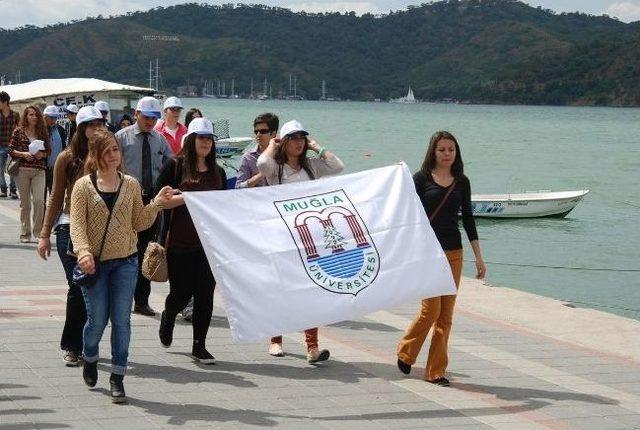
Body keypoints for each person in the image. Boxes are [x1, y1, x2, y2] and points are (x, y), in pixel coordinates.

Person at [70, 128, 172, 403]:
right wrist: (83, 253)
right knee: (96, 322)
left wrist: (157, 204)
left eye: (115, 149)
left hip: (126, 262)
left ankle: (117, 376)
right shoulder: (83, 186)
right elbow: (77, 225)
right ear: (96, 155)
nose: (114, 155)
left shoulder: (130, 184)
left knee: (122, 321)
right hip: (95, 265)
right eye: (107, 151)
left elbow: (139, 222)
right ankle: (90, 356)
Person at [396, 131, 487, 387]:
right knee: (431, 310)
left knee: (446, 316)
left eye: (451, 150)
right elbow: (403, 208)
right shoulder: (421, 179)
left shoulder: (462, 181)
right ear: (432, 152)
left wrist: (479, 257)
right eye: (442, 150)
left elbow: (468, 219)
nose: (447, 154)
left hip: (454, 253)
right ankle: (406, 351)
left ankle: (436, 371)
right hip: (427, 254)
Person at [257, 119, 344, 362]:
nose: (298, 142)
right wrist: (272, 145)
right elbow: (262, 164)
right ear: (284, 142)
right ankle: (275, 340)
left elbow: (338, 166)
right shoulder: (276, 168)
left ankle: (312, 347)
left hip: (309, 238)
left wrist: (318, 147)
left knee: (310, 292)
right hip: (281, 237)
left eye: (302, 138)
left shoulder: (312, 167)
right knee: (280, 289)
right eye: (293, 138)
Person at [37, 106, 106, 366]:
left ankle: (88, 342)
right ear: (81, 128)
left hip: (99, 230)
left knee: (95, 289)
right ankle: (71, 345)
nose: (96, 129)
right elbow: (55, 197)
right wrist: (44, 234)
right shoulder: (67, 158)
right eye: (90, 124)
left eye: (100, 124)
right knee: (77, 286)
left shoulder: (108, 155)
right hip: (69, 228)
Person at [156, 118, 226, 364]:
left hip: (208, 245)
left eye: (209, 138)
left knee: (205, 295)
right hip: (179, 241)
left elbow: (223, 208)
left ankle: (200, 345)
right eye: (201, 137)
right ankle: (168, 315)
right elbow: (160, 201)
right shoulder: (174, 166)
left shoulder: (219, 172)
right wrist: (188, 198)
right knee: (181, 293)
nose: (206, 142)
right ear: (191, 140)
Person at [115, 96, 172, 316]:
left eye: (154, 117)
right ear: (136, 114)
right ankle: (122, 298)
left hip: (151, 201)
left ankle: (141, 300)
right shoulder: (121, 137)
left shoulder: (159, 139)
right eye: (146, 117)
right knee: (126, 249)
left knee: (146, 249)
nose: (150, 121)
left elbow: (171, 162)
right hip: (128, 199)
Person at [9, 105, 50, 243]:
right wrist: (24, 154)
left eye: (35, 115)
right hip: (22, 170)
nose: (33, 117)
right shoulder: (18, 131)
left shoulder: (43, 131)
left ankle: (38, 232)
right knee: (25, 204)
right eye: (30, 114)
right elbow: (11, 150)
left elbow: (48, 151)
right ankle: (25, 233)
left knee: (39, 201)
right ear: (25, 116)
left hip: (39, 170)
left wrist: (42, 154)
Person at [235, 113, 278, 189]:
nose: (258, 135)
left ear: (273, 133)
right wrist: (261, 175)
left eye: (263, 131)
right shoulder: (248, 157)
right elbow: (238, 187)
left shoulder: (284, 154)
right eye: (256, 132)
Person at [43, 105, 67, 196]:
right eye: (51, 117)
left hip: (57, 168)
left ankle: (57, 211)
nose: (54, 120)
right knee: (41, 198)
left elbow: (64, 147)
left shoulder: (60, 129)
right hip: (42, 168)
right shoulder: (39, 130)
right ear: (44, 117)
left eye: (55, 117)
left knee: (56, 196)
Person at [0, 91, 20, 199]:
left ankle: (13, 190)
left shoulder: (16, 115)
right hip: (1, 146)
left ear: (5, 102)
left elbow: (20, 129)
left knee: (13, 169)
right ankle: (3, 189)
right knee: (0, 169)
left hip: (14, 146)